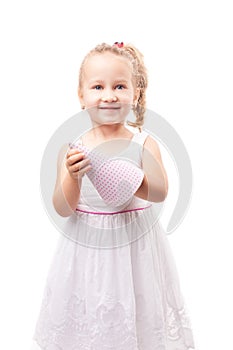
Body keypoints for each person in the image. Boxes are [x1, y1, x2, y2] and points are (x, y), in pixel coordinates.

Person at [32, 42, 195, 349]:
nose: (108, 95)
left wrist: (132, 176)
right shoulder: (72, 149)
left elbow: (160, 192)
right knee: (91, 310)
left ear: (135, 95)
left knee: (136, 311)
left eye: (120, 86)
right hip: (87, 248)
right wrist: (73, 177)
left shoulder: (144, 142)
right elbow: (62, 207)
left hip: (134, 245)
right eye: (97, 86)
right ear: (81, 96)